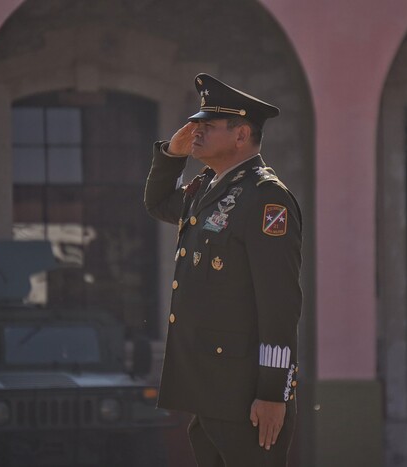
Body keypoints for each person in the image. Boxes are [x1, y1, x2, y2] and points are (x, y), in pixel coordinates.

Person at [144, 73, 302, 467]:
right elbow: (159, 202)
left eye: (207, 127)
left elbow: (279, 304)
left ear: (240, 134)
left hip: (245, 398)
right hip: (209, 393)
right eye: (195, 125)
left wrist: (271, 392)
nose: (195, 132)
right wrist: (172, 155)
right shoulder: (211, 189)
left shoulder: (265, 199)